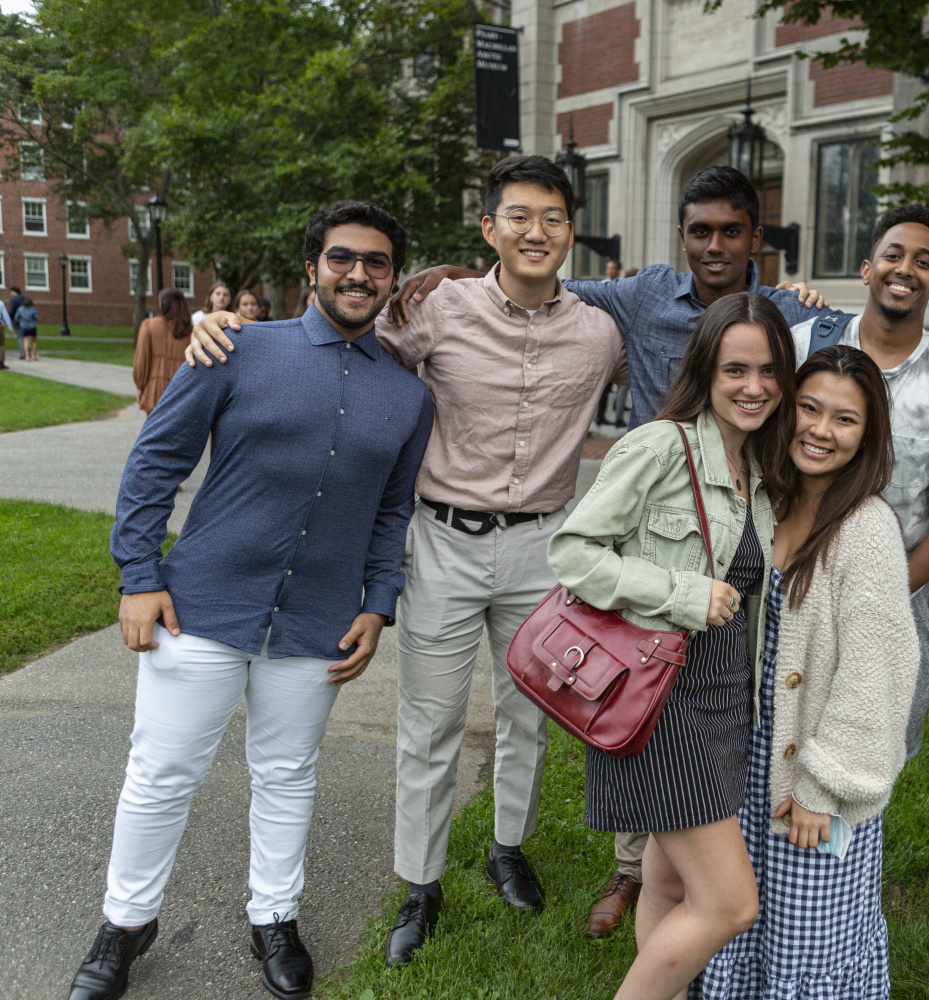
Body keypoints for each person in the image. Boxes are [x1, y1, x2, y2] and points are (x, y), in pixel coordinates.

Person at [181, 156, 629, 967]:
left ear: (571, 232)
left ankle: (507, 846)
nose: (537, 231)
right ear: (489, 228)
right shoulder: (437, 308)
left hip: (544, 548)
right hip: (444, 544)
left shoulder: (599, 331)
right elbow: (341, 347)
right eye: (518, 216)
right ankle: (420, 882)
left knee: (530, 713)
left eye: (554, 218)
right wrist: (219, 330)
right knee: (431, 722)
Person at [69, 200, 433, 1000]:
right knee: (162, 771)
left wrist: (378, 602)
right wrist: (138, 576)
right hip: (200, 604)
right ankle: (124, 925)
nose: (358, 274)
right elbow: (153, 465)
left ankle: (275, 916)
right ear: (311, 269)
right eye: (343, 258)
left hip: (320, 621)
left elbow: (391, 513)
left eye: (376, 262)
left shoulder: (408, 398)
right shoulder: (233, 349)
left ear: (392, 278)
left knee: (288, 773)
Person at [548, 291, 793, 1000]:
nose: (754, 387)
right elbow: (573, 553)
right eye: (736, 370)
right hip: (661, 701)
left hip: (724, 702)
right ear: (706, 372)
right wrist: (683, 594)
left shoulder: (759, 469)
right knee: (729, 903)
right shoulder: (662, 446)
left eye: (769, 371)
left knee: (662, 879)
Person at [697, 345, 919, 1000]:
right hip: (748, 756)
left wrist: (824, 786)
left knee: (806, 929)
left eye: (845, 420)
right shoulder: (766, 500)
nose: (821, 430)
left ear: (868, 435)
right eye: (809, 408)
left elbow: (875, 672)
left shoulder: (866, 529)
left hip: (816, 769)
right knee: (741, 915)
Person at [788, 203, 929, 767]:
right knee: (766, 751)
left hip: (894, 592)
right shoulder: (802, 345)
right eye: (894, 255)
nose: (906, 269)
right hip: (784, 578)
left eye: (923, 262)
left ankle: (850, 859)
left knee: (863, 763)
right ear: (866, 268)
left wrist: (874, 597)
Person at [132, 288, 196, 414]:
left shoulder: (149, 326)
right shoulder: (191, 332)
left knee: (156, 431)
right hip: (183, 390)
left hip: (156, 390)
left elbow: (142, 360)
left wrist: (140, 386)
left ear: (164, 303)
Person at [15, 295, 39, 362]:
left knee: (25, 341)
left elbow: (16, 317)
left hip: (24, 326)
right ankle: (34, 356)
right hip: (32, 326)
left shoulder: (20, 309)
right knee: (34, 341)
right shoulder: (33, 309)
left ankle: (27, 356)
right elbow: (37, 317)